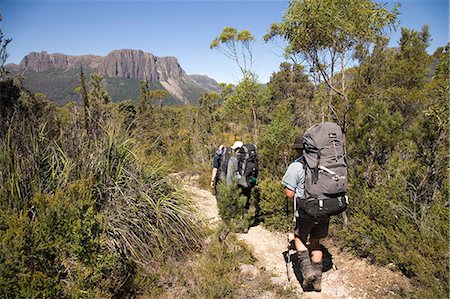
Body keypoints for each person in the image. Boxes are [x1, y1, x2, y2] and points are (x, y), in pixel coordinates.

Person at [281, 134, 328, 292]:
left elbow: (289, 194)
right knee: (315, 243)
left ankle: (308, 272)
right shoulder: (324, 164)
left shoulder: (296, 166)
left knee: (299, 238)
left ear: (299, 150)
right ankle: (317, 281)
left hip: (305, 210)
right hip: (324, 210)